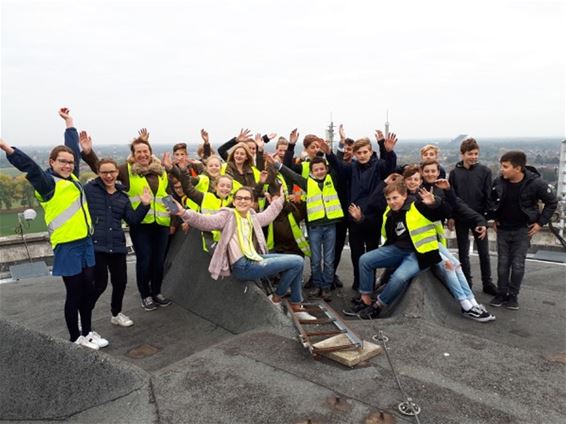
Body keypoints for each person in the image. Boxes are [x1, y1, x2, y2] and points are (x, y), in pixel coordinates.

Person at [0, 108, 102, 349]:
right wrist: (7, 149)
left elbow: (72, 149)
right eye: (62, 162)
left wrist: (70, 123)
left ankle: (87, 332)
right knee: (75, 294)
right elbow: (31, 169)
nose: (67, 165)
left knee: (89, 289)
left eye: (70, 162)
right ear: (52, 163)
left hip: (86, 242)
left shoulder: (73, 178)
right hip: (67, 245)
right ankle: (75, 337)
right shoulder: (48, 184)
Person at [171, 186, 316, 321]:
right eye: (239, 198)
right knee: (297, 262)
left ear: (252, 202)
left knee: (296, 262)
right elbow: (205, 221)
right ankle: (278, 298)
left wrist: (280, 200)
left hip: (254, 258)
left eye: (246, 198)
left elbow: (268, 215)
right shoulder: (227, 216)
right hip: (242, 266)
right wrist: (184, 213)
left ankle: (296, 305)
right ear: (233, 201)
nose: (242, 201)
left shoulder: (251, 217)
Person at [82, 128, 173, 311]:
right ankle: (145, 295)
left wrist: (176, 220)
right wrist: (89, 153)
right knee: (144, 260)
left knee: (159, 261)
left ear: (150, 153)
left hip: (162, 224)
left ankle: (156, 291)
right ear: (133, 154)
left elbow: (166, 195)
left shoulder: (161, 171)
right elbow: (104, 169)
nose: (142, 155)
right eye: (138, 152)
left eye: (145, 151)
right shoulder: (127, 170)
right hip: (140, 224)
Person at [345, 180, 447, 319]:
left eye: (395, 198)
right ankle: (365, 300)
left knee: (399, 277)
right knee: (365, 260)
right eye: (388, 199)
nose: (392, 202)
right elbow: (375, 225)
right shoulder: (390, 212)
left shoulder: (418, 206)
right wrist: (361, 218)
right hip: (398, 249)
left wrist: (435, 203)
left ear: (404, 195)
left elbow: (442, 213)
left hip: (420, 254)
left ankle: (378, 306)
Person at [80, 138, 152, 328]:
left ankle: (116, 313)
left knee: (120, 283)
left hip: (117, 246)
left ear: (117, 172)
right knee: (99, 284)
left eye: (112, 172)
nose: (109, 176)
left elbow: (133, 220)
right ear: (98, 173)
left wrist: (145, 205)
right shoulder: (89, 190)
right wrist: (87, 152)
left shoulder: (122, 196)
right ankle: (84, 313)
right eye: (104, 172)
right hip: (97, 245)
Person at [322, 132, 398, 290]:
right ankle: (358, 283)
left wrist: (389, 151)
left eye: (365, 152)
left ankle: (369, 285)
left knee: (371, 253)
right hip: (354, 216)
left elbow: (390, 168)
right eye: (359, 153)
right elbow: (338, 166)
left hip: (373, 216)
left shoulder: (379, 166)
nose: (362, 155)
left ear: (371, 151)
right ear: (355, 154)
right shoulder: (352, 167)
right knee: (356, 253)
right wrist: (329, 153)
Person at [488, 151, 557, 310]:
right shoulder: (498, 182)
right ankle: (501, 294)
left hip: (523, 230)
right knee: (502, 264)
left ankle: (513, 297)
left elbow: (551, 202)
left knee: (518, 264)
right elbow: (492, 201)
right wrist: (495, 217)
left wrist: (540, 223)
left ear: (518, 168)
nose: (501, 170)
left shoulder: (536, 183)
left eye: (505, 167)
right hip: (503, 229)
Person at [275, 156, 344, 300]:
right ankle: (317, 284)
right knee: (315, 258)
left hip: (330, 225)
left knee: (329, 259)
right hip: (314, 227)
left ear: (326, 169)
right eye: (316, 170)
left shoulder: (333, 180)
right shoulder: (307, 183)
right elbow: (292, 175)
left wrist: (335, 150)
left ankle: (326, 287)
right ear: (311, 171)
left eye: (322, 169)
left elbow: (338, 165)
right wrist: (276, 164)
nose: (319, 172)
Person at [448, 137, 496, 295]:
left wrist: (489, 218)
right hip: (461, 217)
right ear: (462, 154)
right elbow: (451, 196)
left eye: (476, 153)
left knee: (484, 252)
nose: (474, 156)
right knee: (463, 252)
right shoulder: (454, 173)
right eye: (470, 153)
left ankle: (487, 283)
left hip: (479, 217)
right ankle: (466, 282)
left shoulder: (485, 171)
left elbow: (488, 196)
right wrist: (451, 216)